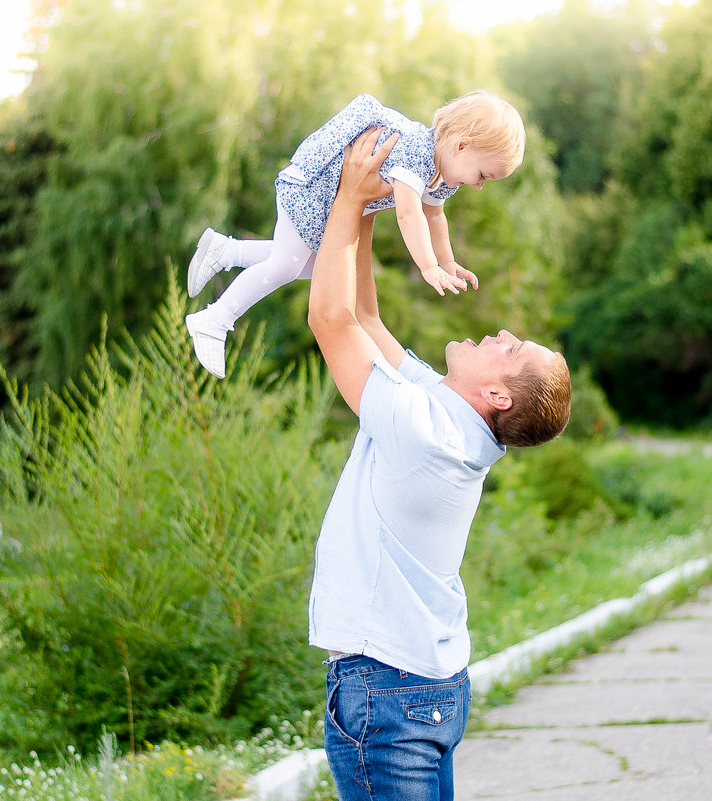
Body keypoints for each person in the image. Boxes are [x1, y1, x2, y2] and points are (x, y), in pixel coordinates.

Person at [305, 127, 571, 801]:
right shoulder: (442, 412)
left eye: (513, 349)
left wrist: (342, 202)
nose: (503, 333)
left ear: (497, 394)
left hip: (386, 687)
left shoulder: (427, 431)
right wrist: (365, 205)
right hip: (422, 686)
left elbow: (332, 321)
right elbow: (365, 313)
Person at [185, 91, 525, 378]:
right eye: (483, 174)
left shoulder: (444, 176)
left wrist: (448, 262)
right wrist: (428, 267)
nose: (479, 186)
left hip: (330, 203)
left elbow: (434, 216)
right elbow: (409, 214)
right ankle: (214, 319)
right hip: (312, 191)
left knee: (313, 267)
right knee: (287, 266)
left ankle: (225, 252)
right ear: (462, 146)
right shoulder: (417, 153)